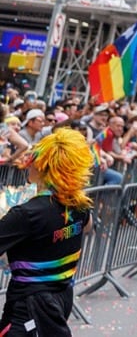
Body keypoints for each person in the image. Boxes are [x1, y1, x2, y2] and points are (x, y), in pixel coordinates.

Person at [0, 129, 94, 337]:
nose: (28, 161)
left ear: (44, 167)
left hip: (30, 305)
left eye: (34, 157)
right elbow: (87, 226)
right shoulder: (78, 204)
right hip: (61, 296)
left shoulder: (27, 214)